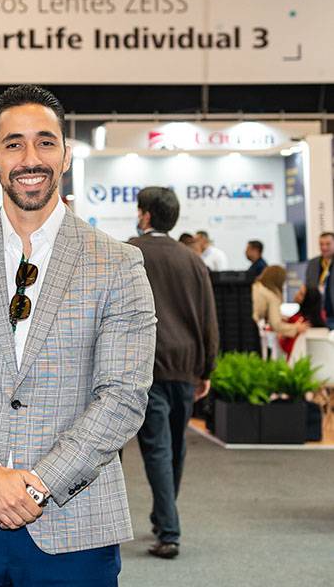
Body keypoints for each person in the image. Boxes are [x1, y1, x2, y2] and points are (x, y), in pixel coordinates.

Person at [0, 84, 156, 586]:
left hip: (75, 521)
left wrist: (39, 484)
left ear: (65, 155)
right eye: (13, 144)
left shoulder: (119, 264)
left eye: (45, 142)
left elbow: (123, 395)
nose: (30, 158)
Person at [129, 187, 219, 560]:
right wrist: (207, 368)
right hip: (186, 364)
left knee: (158, 448)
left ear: (147, 215)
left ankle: (169, 531)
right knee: (176, 447)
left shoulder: (129, 252)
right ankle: (164, 518)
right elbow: (209, 318)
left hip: (147, 364)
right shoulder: (193, 260)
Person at [252, 265, 307, 341]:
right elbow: (276, 324)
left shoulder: (255, 286)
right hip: (249, 327)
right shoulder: (272, 296)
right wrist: (296, 328)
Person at [279, 285, 326, 357]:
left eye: (301, 294)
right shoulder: (322, 323)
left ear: (307, 300)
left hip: (296, 361)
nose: (296, 294)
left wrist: (280, 335)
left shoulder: (296, 322)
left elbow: (286, 347)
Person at [304, 232, 334, 329]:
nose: (324, 247)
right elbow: (308, 287)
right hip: (316, 317)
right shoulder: (312, 264)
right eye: (321, 244)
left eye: (328, 244)